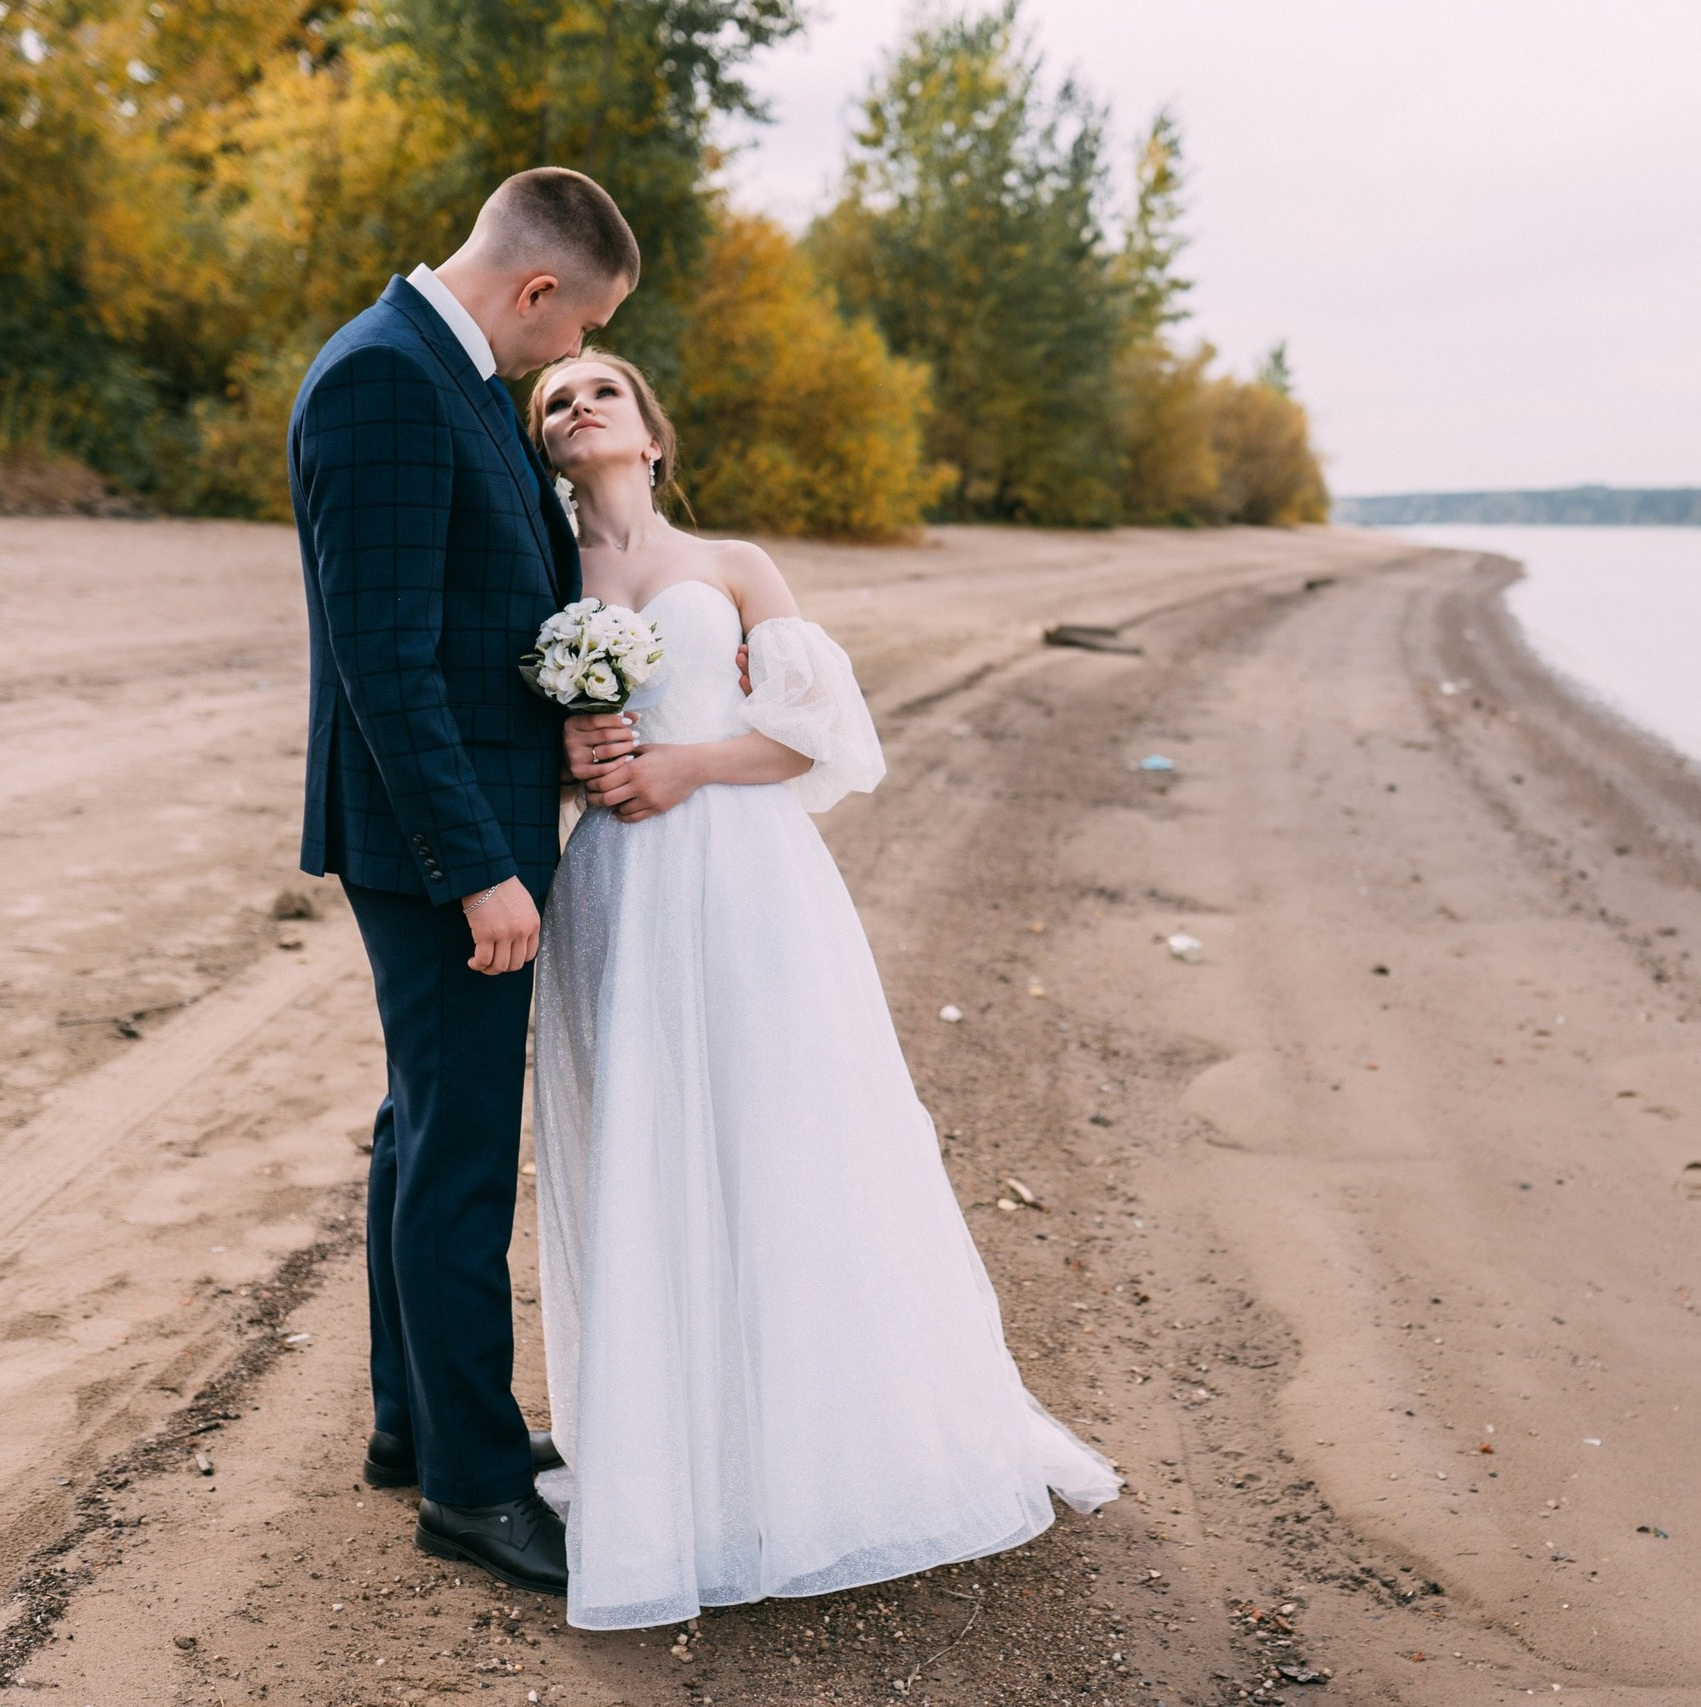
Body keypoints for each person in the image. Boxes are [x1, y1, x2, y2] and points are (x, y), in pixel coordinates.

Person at [524, 350, 1120, 1630]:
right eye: (554, 403)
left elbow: (818, 734)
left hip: (741, 878)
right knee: (643, 1150)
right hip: (612, 895)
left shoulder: (734, 564)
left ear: (651, 432)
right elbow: (524, 748)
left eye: (601, 394)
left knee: (777, 1137)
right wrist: (571, 754)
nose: (578, 410)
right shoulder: (539, 576)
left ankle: (813, 1461)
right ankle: (673, 1468)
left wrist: (681, 768)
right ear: (547, 447)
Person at [289, 167, 638, 1597]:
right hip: (440, 847)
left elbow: (471, 607)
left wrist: (562, 724)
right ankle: (474, 1485)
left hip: (477, 814)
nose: (568, 359)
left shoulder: (451, 370)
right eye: (577, 328)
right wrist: (480, 869)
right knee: (461, 1153)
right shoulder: (384, 377)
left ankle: (410, 1422)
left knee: (422, 1123)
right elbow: (384, 658)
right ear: (537, 288)